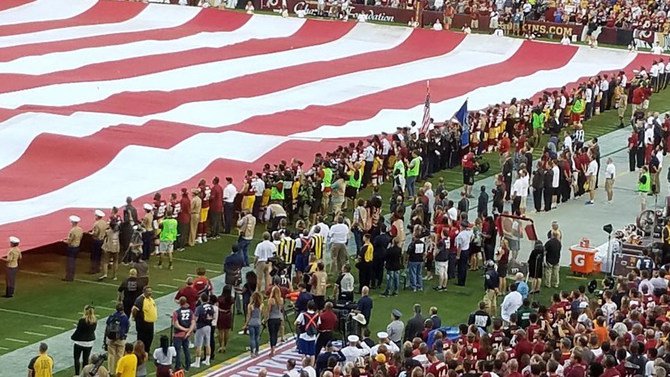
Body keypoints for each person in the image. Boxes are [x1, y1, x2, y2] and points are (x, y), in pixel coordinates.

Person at [72, 305, 97, 376]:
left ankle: (77, 374)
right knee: (85, 359)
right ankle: (84, 374)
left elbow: (79, 331)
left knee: (77, 358)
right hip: (89, 343)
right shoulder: (94, 320)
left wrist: (73, 336)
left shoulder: (82, 320)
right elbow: (92, 330)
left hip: (79, 342)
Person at [105, 303, 129, 373]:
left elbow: (107, 325)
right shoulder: (125, 317)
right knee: (120, 356)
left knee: (111, 355)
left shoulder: (112, 316)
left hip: (111, 338)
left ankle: (110, 371)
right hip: (120, 339)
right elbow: (126, 329)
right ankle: (118, 370)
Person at [131, 286, 157, 353]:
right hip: (142, 323)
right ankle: (140, 352)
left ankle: (146, 351)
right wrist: (134, 317)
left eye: (151, 291)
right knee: (142, 338)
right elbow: (134, 309)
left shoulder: (150, 299)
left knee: (150, 337)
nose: (150, 293)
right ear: (144, 292)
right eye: (148, 291)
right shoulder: (140, 300)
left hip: (150, 322)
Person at [192, 293, 214, 368]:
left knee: (198, 345)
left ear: (201, 299)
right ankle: (207, 361)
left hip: (201, 326)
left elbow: (196, 318)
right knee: (207, 344)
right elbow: (212, 316)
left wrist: (194, 325)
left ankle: (197, 363)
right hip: (208, 326)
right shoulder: (211, 306)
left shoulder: (199, 308)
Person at [172, 296, 194, 372]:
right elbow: (193, 323)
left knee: (177, 351)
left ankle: (178, 367)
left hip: (178, 334)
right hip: (186, 334)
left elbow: (176, 324)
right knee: (186, 350)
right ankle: (188, 366)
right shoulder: (190, 311)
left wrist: (184, 329)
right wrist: (188, 331)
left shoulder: (176, 312)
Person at [63, 215, 83, 282]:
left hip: (72, 247)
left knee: (70, 262)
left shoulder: (72, 231)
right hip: (77, 246)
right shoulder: (80, 229)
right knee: (73, 262)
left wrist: (63, 241)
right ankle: (71, 276)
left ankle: (69, 277)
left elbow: (69, 241)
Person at [244, 291, 263, 358]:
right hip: (258, 322)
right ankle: (257, 351)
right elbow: (261, 314)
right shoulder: (261, 305)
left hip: (251, 323)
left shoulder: (250, 305)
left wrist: (246, 324)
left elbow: (249, 316)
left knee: (252, 338)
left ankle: (252, 352)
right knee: (257, 337)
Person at [266, 285, 284, 356]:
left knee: (271, 334)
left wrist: (265, 318)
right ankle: (274, 348)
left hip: (272, 319)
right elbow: (281, 309)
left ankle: (272, 349)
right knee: (275, 334)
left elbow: (269, 310)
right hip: (278, 318)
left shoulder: (271, 300)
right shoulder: (281, 300)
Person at [216, 285, 234, 354]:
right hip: (228, 314)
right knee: (227, 331)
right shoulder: (231, 299)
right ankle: (225, 346)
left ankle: (221, 346)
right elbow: (232, 309)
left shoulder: (219, 298)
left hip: (221, 314)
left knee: (220, 332)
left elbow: (217, 307)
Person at [455, 220, 473, 286]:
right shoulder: (468, 233)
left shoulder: (460, 235)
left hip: (462, 251)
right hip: (466, 250)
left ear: (462, 227)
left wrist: (458, 255)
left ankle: (460, 281)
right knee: (464, 267)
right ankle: (463, 280)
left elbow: (459, 246)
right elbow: (472, 234)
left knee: (460, 267)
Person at [90, 209, 108, 274]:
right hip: (102, 240)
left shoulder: (96, 224)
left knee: (94, 255)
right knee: (99, 255)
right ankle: (98, 267)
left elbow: (95, 233)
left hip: (96, 240)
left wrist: (91, 233)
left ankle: (94, 269)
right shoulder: (104, 223)